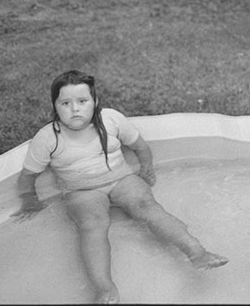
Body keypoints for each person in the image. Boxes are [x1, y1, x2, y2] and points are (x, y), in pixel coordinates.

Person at [12, 70, 228, 304]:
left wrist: (146, 169)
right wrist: (29, 200)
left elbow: (140, 147)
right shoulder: (48, 138)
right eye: (66, 103)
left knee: (148, 207)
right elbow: (27, 177)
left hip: (121, 179)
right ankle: (104, 288)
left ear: (95, 102)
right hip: (82, 191)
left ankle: (196, 252)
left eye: (82, 101)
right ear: (55, 106)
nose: (75, 109)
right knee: (92, 224)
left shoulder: (111, 120)